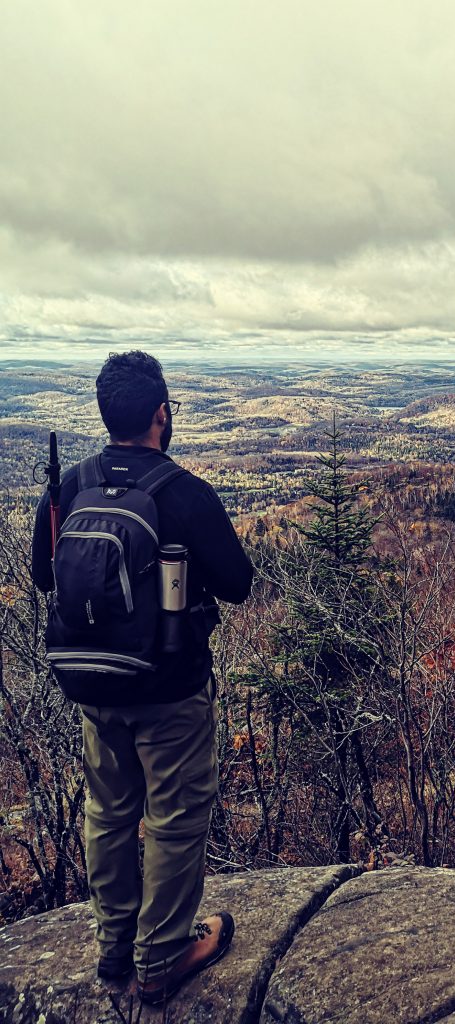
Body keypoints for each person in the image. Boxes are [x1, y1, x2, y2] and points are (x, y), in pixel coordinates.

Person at [31, 350, 254, 1004]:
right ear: (162, 415)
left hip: (93, 688)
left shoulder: (70, 485)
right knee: (176, 818)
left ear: (107, 415)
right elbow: (239, 585)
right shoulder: (182, 492)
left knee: (108, 812)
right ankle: (161, 958)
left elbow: (45, 577)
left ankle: (114, 951)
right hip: (169, 689)